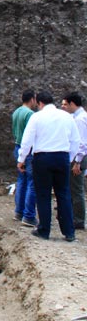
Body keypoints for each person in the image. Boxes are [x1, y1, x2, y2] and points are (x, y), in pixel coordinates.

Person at [17, 90, 80, 241]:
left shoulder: (37, 117)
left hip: (42, 158)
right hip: (62, 157)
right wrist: (69, 158)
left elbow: (27, 140)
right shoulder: (67, 117)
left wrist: (21, 158)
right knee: (63, 194)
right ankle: (69, 232)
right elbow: (76, 140)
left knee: (43, 194)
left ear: (40, 103)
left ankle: (44, 230)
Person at [12, 89, 37, 227]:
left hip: (18, 147)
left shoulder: (16, 112)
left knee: (21, 181)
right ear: (32, 99)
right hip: (27, 150)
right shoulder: (30, 114)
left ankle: (18, 211)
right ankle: (29, 215)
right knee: (32, 182)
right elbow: (30, 135)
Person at [61, 92, 87, 230]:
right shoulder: (79, 117)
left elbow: (82, 143)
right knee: (74, 188)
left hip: (79, 157)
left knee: (76, 189)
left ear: (72, 103)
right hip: (79, 157)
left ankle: (78, 220)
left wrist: (77, 162)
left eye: (66, 104)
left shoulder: (80, 119)